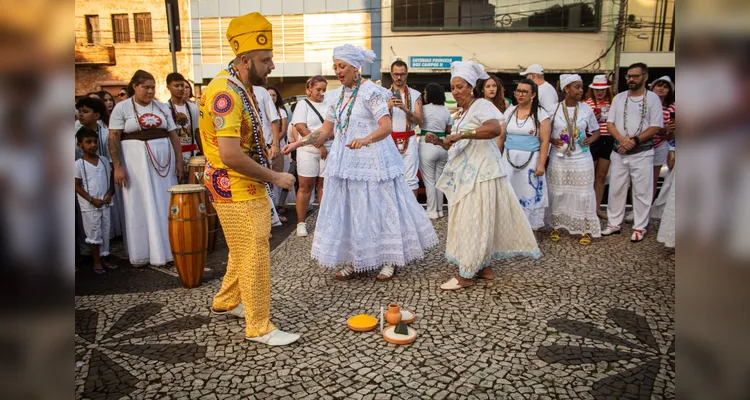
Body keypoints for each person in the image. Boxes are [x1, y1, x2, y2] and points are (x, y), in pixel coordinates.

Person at [282, 44, 437, 282]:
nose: (338, 71)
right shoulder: (336, 96)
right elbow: (325, 131)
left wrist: (365, 140)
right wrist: (298, 144)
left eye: (342, 66)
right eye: (335, 67)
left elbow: (385, 126)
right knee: (352, 210)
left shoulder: (371, 92)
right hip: (346, 162)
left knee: (380, 207)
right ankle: (356, 259)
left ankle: (389, 259)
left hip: (374, 162)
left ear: (356, 67)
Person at [201, 12, 299, 346]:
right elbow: (229, 155)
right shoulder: (225, 93)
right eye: (265, 59)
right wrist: (275, 176)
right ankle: (259, 327)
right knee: (255, 251)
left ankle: (227, 301)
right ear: (244, 60)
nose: (272, 66)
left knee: (243, 247)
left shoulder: (241, 87)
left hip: (241, 182)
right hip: (234, 184)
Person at [437, 61, 540, 290]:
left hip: (482, 174)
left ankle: (467, 273)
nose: (455, 91)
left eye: (460, 86)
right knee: (475, 218)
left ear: (471, 87)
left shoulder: (481, 104)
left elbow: (494, 129)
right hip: (469, 174)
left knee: (475, 219)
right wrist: (441, 141)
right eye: (453, 87)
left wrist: (463, 134)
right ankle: (484, 266)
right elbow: (460, 144)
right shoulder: (463, 112)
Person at [108, 69, 183, 266]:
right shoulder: (122, 108)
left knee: (164, 202)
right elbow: (113, 137)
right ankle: (143, 253)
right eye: (145, 87)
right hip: (135, 166)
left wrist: (179, 160)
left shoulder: (162, 107)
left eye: (152, 87)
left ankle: (168, 249)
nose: (150, 91)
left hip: (163, 167)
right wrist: (118, 167)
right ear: (135, 87)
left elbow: (173, 135)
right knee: (140, 203)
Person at [602, 63, 664, 242]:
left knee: (641, 191)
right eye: (629, 76)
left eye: (635, 76)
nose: (631, 79)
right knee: (616, 188)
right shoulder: (619, 98)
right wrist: (622, 140)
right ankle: (614, 223)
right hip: (619, 150)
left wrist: (634, 141)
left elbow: (655, 127)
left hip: (642, 152)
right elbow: (610, 124)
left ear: (645, 76)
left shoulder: (652, 99)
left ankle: (640, 226)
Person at [547, 74, 602, 245]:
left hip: (582, 157)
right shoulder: (553, 109)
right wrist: (551, 139)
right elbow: (543, 132)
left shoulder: (586, 109)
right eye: (577, 87)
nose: (581, 90)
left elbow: (597, 131)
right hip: (559, 156)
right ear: (566, 89)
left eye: (581, 87)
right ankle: (556, 225)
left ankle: (584, 228)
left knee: (584, 192)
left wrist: (590, 139)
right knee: (558, 191)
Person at [498, 78, 551, 230]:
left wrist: (541, 164)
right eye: (518, 91)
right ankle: (509, 230)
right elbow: (501, 137)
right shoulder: (509, 111)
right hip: (508, 158)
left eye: (524, 92)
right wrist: (496, 159)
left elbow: (545, 141)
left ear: (533, 95)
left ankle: (530, 231)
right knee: (508, 193)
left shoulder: (541, 114)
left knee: (529, 194)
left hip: (531, 160)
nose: (520, 94)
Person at [76, 96, 126, 239]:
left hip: (104, 178)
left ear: (96, 115)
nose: (80, 114)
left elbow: (111, 160)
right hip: (84, 178)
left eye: (85, 111)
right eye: (79, 111)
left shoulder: (105, 135)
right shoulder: (75, 132)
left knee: (107, 215)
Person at [290, 75, 329, 236]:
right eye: (318, 89)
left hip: (328, 148)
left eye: (324, 90)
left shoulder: (329, 104)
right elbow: (301, 127)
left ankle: (324, 221)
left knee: (324, 186)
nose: (321, 93)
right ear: (309, 89)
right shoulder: (302, 104)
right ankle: (301, 222)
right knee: (306, 186)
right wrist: (318, 144)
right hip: (307, 149)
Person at [75, 127, 117, 274]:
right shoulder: (78, 165)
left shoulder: (104, 161)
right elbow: (76, 186)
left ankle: (105, 257)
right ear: (80, 144)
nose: (92, 145)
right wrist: (91, 200)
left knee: (105, 231)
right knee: (93, 233)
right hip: (89, 206)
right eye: (88, 142)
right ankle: (96, 261)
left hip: (104, 203)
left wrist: (109, 193)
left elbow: (111, 180)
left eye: (94, 142)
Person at [388, 60, 423, 197]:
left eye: (402, 74)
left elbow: (420, 120)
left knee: (411, 179)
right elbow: (375, 120)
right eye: (396, 74)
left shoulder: (415, 94)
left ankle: (412, 215)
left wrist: (405, 109)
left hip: (409, 138)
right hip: (389, 139)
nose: (399, 78)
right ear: (391, 74)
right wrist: (388, 106)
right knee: (389, 177)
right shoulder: (383, 94)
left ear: (407, 74)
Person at [418, 83, 452, 219]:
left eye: (425, 93)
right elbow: (449, 129)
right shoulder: (445, 110)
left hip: (427, 145)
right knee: (439, 180)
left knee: (429, 181)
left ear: (429, 94)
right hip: (443, 146)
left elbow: (419, 123)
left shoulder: (424, 109)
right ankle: (440, 210)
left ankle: (432, 211)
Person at [584, 74, 615, 220]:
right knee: (589, 176)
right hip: (593, 139)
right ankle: (587, 209)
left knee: (601, 177)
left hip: (608, 138)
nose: (599, 92)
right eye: (597, 89)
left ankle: (597, 209)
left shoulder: (613, 103)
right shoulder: (587, 103)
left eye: (602, 89)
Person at [253, 84, 283, 227]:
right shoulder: (233, 89)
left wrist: (275, 144)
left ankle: (266, 222)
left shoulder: (261, 92)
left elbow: (274, 120)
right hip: (243, 149)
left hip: (264, 147)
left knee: (265, 185)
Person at [649, 75, 676, 198]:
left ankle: (647, 209)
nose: (662, 89)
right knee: (637, 180)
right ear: (653, 87)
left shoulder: (673, 108)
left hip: (660, 144)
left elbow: (672, 134)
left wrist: (668, 131)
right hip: (642, 144)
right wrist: (661, 129)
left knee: (654, 179)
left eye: (665, 87)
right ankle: (635, 209)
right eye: (659, 85)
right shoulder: (644, 103)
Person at [166, 72, 202, 165]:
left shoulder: (193, 107)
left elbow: (197, 131)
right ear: (168, 87)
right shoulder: (165, 108)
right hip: (173, 155)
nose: (181, 89)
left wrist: (203, 153)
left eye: (182, 85)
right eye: (176, 86)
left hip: (192, 154)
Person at [267, 86, 291, 220]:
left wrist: (274, 143)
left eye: (274, 95)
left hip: (277, 145)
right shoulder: (261, 109)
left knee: (277, 175)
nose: (271, 98)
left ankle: (276, 208)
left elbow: (282, 129)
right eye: (269, 95)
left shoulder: (281, 111)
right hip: (265, 145)